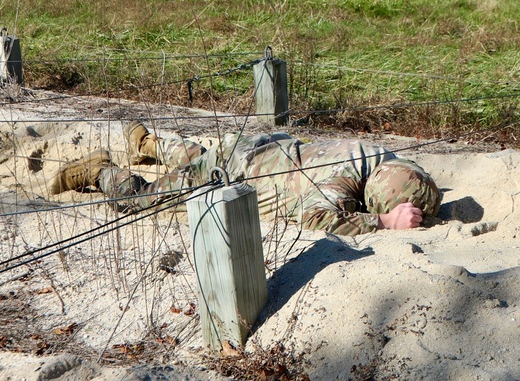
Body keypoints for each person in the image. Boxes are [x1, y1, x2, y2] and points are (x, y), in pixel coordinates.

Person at [49, 122, 441, 237]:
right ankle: (100, 170)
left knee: (202, 160)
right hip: (233, 170)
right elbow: (316, 218)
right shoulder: (339, 183)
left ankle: (150, 144)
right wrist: (385, 221)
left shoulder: (373, 153)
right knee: (142, 200)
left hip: (257, 147)